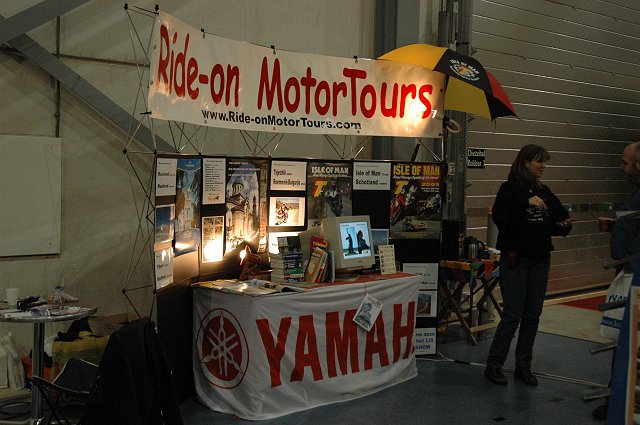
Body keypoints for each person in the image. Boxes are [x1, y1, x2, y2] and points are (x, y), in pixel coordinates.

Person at [484, 144, 573, 386]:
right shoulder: (509, 190)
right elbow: (501, 219)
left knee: (533, 315)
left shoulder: (545, 191)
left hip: (540, 260)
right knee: (512, 314)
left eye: (544, 162)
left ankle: (523, 366)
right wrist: (526, 202)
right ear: (525, 162)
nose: (543, 166)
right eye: (538, 161)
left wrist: (563, 226)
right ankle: (494, 365)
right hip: (516, 260)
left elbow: (558, 218)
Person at [592, 141, 640, 420]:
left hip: (635, 277)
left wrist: (628, 259)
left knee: (628, 341)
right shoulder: (636, 191)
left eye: (625, 162)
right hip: (630, 272)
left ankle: (622, 400)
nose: (621, 167)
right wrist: (616, 227)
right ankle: (618, 396)